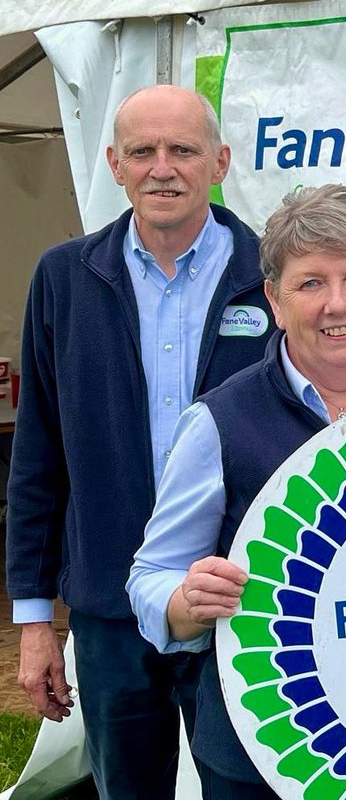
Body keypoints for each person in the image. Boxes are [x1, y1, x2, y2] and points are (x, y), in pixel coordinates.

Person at [5, 85, 275, 798]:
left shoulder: (274, 278)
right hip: (110, 615)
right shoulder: (64, 278)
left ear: (218, 161)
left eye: (182, 149)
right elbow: (38, 454)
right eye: (143, 151)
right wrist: (35, 621)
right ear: (114, 164)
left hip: (239, 606)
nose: (163, 167)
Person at [128, 184, 346, 798]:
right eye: (310, 284)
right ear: (273, 298)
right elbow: (151, 575)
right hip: (270, 749)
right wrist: (188, 601)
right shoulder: (220, 421)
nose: (337, 304)